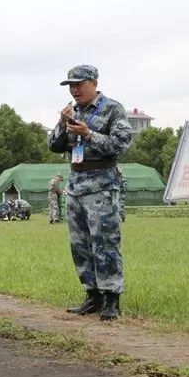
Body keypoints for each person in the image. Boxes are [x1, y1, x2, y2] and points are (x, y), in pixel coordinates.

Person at [48, 65, 132, 321]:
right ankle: (92, 295)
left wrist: (89, 134)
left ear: (94, 83)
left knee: (104, 243)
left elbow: (121, 144)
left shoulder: (112, 109)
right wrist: (63, 124)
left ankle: (111, 298)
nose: (74, 90)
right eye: (70, 85)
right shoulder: (73, 111)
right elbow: (53, 145)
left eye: (79, 84)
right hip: (76, 185)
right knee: (80, 245)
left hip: (102, 186)